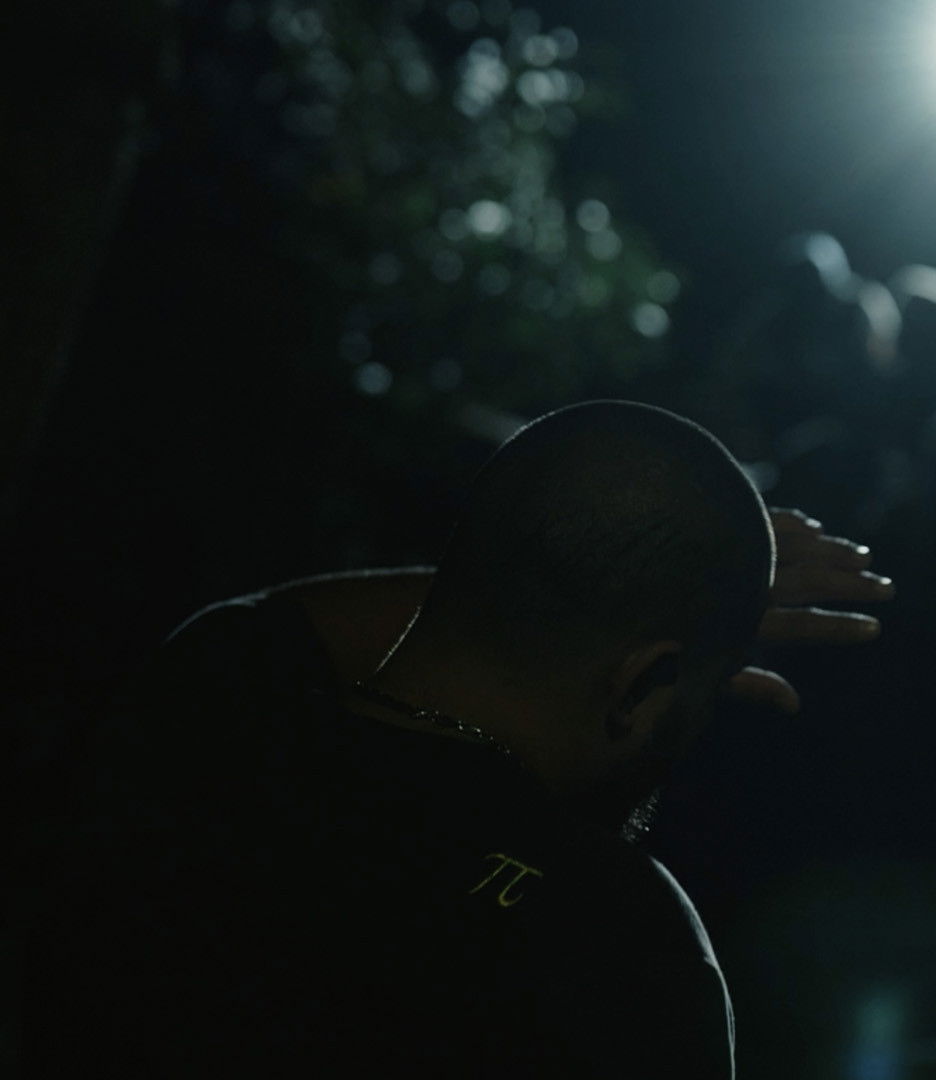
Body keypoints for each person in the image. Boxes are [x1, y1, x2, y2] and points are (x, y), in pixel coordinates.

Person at [18, 401, 892, 1075]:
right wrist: (673, 594)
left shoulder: (209, 710)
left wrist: (607, 577)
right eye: (701, 697)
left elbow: (279, 623)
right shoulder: (629, 950)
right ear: (642, 685)